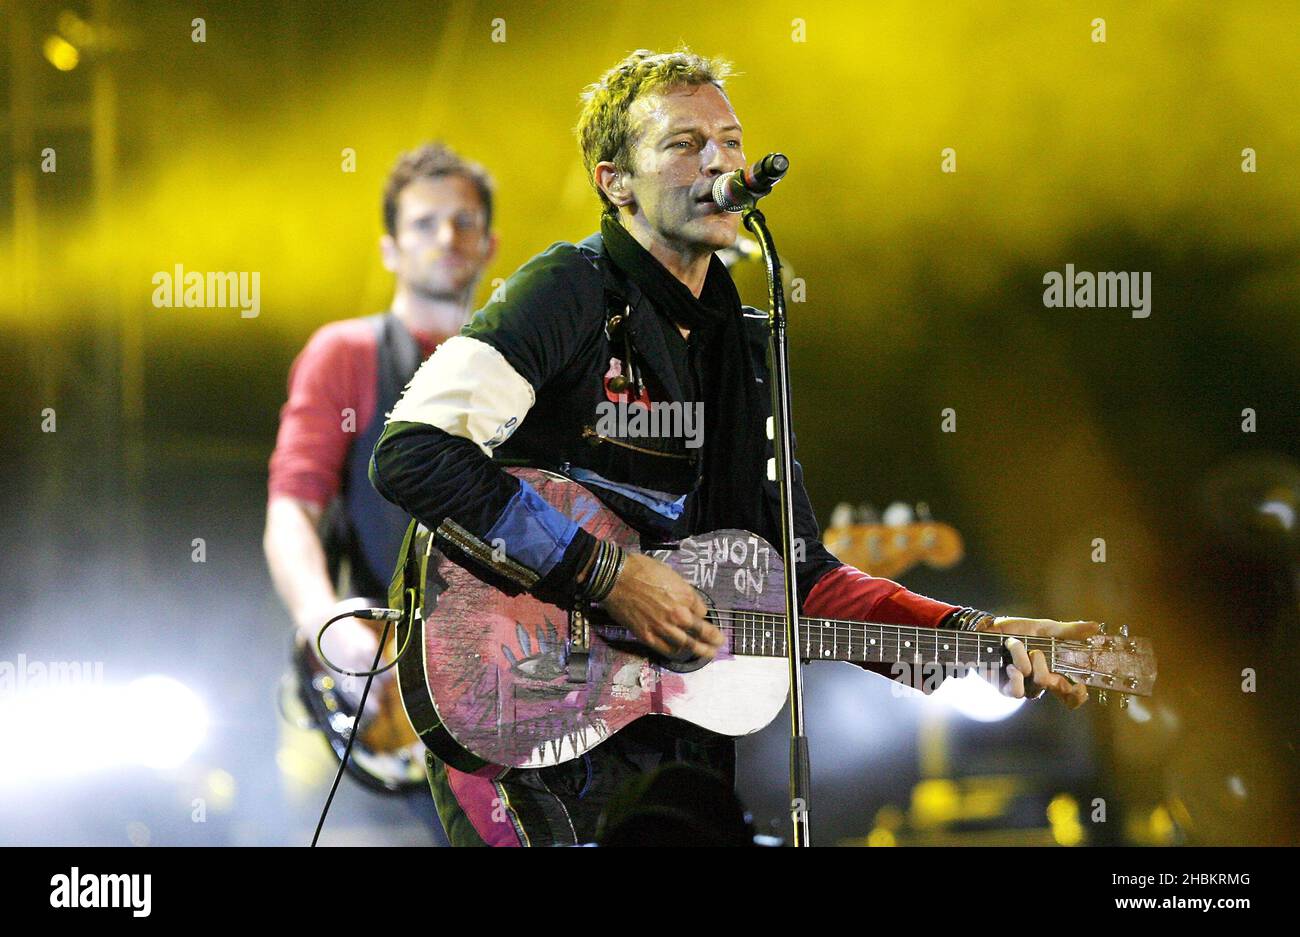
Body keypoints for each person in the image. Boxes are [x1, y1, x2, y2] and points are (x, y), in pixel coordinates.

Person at [370, 48, 1096, 848]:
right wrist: (607, 574)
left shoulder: (747, 349)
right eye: (684, 143)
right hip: (520, 716)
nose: (720, 160)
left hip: (673, 743)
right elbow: (414, 451)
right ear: (616, 181)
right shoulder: (566, 292)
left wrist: (969, 632)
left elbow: (802, 578)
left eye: (731, 140)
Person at [264, 142, 498, 836]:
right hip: (384, 710)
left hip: (500, 715)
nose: (446, 237)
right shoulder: (347, 353)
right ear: (390, 248)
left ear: (491, 242)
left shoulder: (526, 366)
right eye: (424, 223)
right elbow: (290, 513)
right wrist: (324, 623)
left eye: (463, 221)